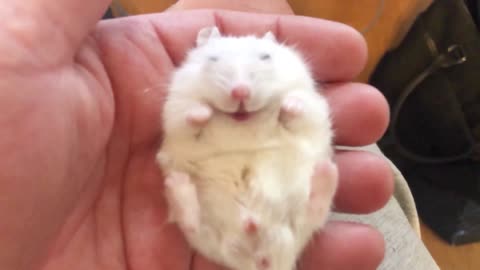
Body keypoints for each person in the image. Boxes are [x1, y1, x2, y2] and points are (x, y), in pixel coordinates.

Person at [1, 1, 418, 269]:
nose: (239, 89)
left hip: (273, 179)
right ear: (202, 51)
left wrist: (293, 113)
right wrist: (195, 121)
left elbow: (313, 126)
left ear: (274, 51)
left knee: (308, 191)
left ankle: (305, 209)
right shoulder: (186, 91)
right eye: (215, 59)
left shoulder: (288, 77)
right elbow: (178, 143)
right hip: (225, 195)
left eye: (261, 59)